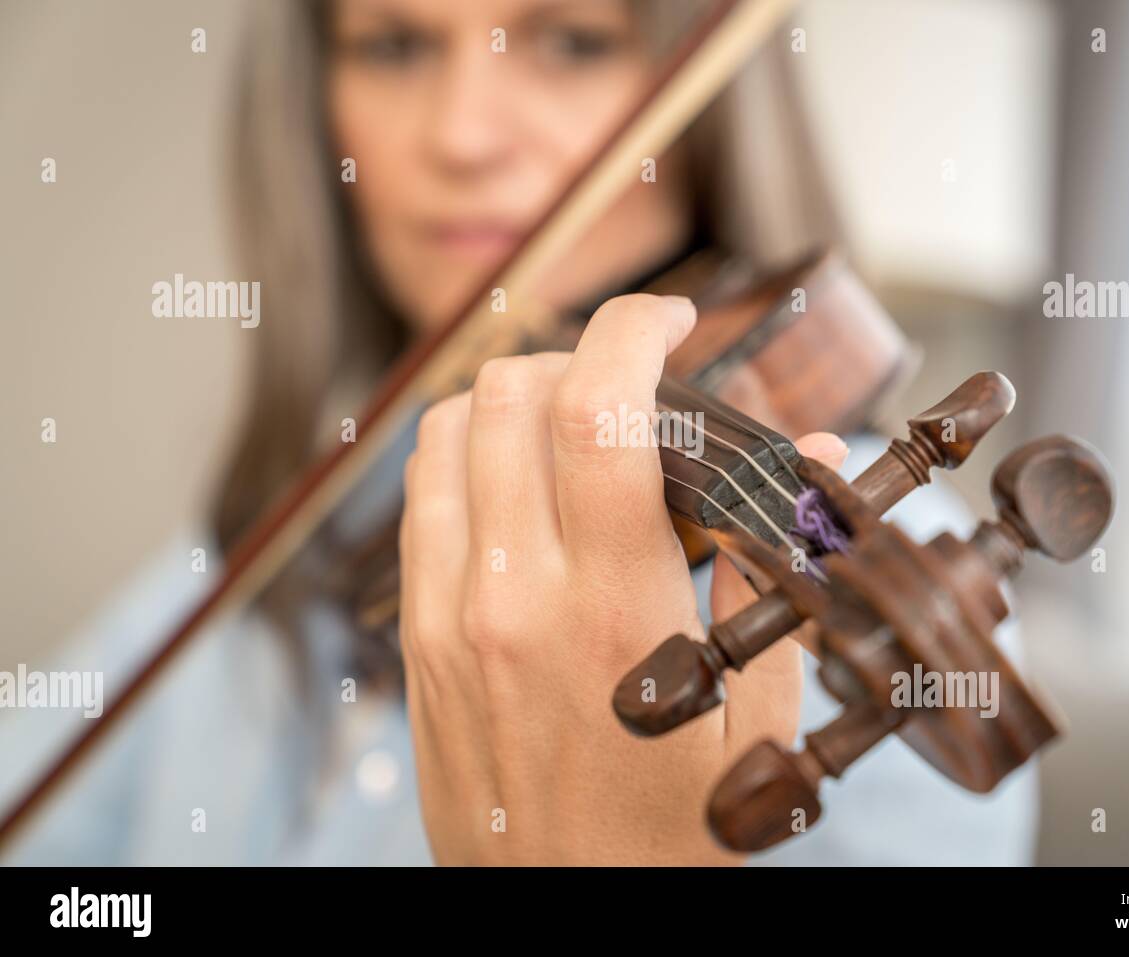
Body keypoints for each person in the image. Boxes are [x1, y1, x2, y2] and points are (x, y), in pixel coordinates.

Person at [0, 0, 1036, 865]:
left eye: (572, 40)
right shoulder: (306, 503)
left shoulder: (838, 570)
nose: (460, 135)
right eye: (396, 45)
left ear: (709, 108)